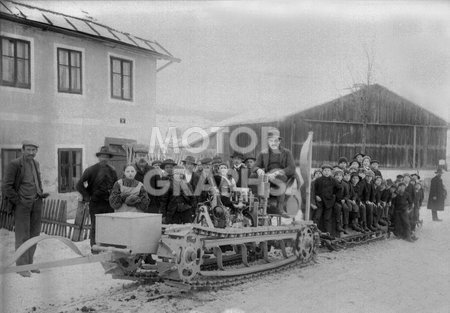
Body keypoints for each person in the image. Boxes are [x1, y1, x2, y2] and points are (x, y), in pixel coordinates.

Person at [2, 140, 49, 277]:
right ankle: (21, 267)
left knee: (34, 235)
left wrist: (40, 193)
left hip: (36, 203)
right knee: (22, 235)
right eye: (28, 149)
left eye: (33, 150)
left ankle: (30, 264)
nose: (31, 153)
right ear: (22, 150)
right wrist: (18, 201)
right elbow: (6, 186)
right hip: (22, 205)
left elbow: (35, 182)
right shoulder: (15, 164)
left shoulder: (36, 163)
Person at [76, 146, 118, 248]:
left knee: (108, 225)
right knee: (95, 225)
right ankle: (94, 248)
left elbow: (116, 186)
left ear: (109, 158)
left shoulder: (112, 171)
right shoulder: (91, 170)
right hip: (96, 203)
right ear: (99, 157)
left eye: (106, 156)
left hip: (108, 204)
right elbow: (79, 185)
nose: (104, 158)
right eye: (102, 156)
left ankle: (106, 247)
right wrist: (87, 197)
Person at [253, 129, 296, 216]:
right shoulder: (263, 153)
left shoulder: (287, 153)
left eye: (276, 140)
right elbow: (254, 166)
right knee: (253, 176)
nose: (273, 143)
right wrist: (258, 170)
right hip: (267, 176)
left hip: (281, 175)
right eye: (271, 140)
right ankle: (259, 205)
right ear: (268, 141)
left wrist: (277, 173)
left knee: (279, 179)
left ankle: (280, 208)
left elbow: (291, 167)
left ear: (279, 141)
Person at [313, 164, 341, 234]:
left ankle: (327, 233)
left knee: (327, 218)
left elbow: (339, 188)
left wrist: (334, 195)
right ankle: (315, 232)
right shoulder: (318, 180)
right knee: (317, 216)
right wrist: (316, 195)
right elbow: (314, 190)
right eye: (325, 170)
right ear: (322, 171)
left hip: (329, 202)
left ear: (331, 172)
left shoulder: (333, 180)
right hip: (320, 201)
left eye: (328, 170)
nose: (326, 172)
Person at [333, 169, 349, 235]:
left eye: (340, 175)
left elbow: (347, 194)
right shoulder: (332, 183)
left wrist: (344, 199)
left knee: (346, 208)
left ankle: (345, 224)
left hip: (342, 201)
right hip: (335, 201)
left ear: (342, 177)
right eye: (336, 175)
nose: (338, 177)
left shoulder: (345, 184)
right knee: (338, 208)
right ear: (334, 176)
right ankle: (338, 224)